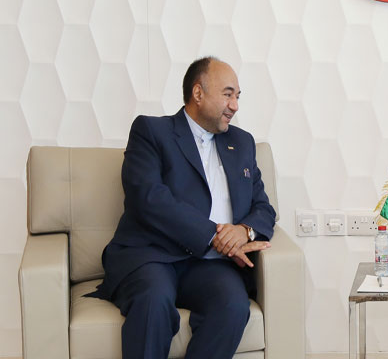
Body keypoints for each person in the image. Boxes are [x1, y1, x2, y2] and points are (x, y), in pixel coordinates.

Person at [91, 56, 277, 359]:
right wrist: (214, 235)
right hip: (153, 256)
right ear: (198, 92)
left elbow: (263, 207)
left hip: (210, 265)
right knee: (153, 301)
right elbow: (148, 198)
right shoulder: (151, 131)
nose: (235, 105)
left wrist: (244, 231)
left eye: (238, 97)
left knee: (233, 305)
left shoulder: (242, 143)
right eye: (227, 94)